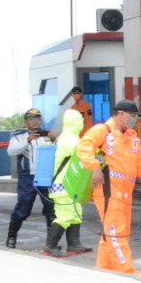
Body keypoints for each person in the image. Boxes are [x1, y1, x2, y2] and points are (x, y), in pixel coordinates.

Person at [76, 100, 141, 273]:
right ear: (120, 113)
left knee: (114, 232)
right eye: (132, 115)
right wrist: (94, 167)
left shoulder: (132, 137)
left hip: (125, 193)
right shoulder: (103, 130)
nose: (135, 119)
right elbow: (83, 146)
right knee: (116, 231)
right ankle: (125, 271)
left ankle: (104, 269)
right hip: (108, 191)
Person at [43, 108, 94, 257]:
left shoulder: (70, 138)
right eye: (80, 121)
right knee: (65, 215)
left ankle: (74, 244)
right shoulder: (68, 139)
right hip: (62, 185)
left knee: (76, 213)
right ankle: (50, 245)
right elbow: (83, 153)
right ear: (75, 123)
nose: (82, 124)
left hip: (70, 186)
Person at [5, 108, 56, 248]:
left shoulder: (47, 134)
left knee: (51, 208)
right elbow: (11, 151)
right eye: (32, 119)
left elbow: (58, 151)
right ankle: (11, 237)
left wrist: (54, 139)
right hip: (27, 177)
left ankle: (51, 242)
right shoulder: (19, 136)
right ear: (26, 121)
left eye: (38, 119)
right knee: (22, 208)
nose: (35, 121)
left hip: (46, 175)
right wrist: (27, 140)